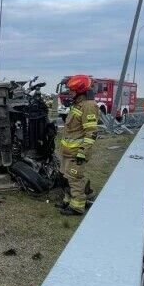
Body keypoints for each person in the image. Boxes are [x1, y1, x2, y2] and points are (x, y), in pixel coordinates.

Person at [57, 74, 100, 216]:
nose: (70, 93)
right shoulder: (78, 105)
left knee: (74, 179)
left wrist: (83, 152)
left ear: (80, 91)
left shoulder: (89, 106)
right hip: (68, 152)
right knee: (65, 178)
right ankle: (67, 201)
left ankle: (77, 207)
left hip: (77, 152)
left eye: (72, 90)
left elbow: (91, 133)